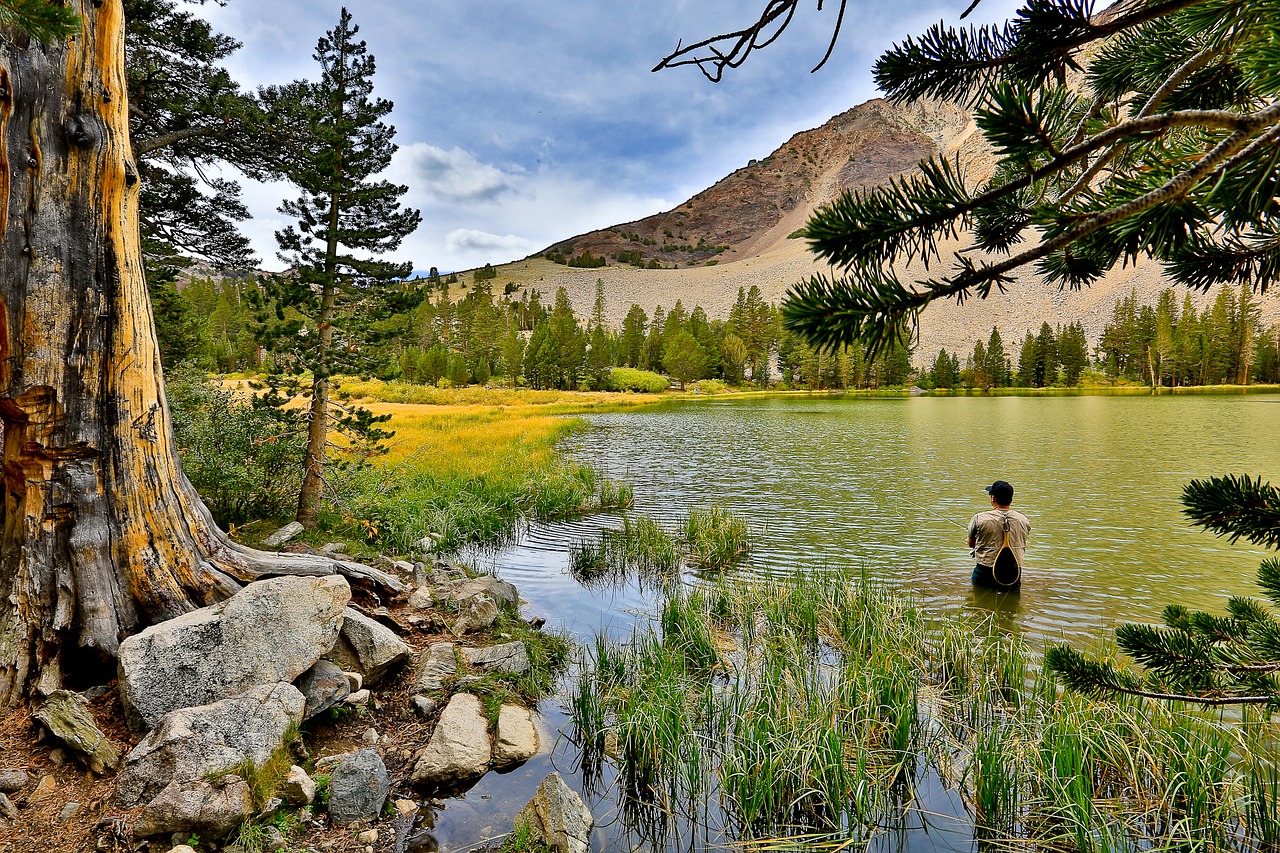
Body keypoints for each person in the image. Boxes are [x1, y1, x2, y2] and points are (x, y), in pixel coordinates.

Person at [967, 480, 1031, 590]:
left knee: (978, 602)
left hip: (984, 571)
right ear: (1011, 499)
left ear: (993, 498)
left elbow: (971, 544)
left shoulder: (979, 518)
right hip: (1014, 573)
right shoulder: (1023, 520)